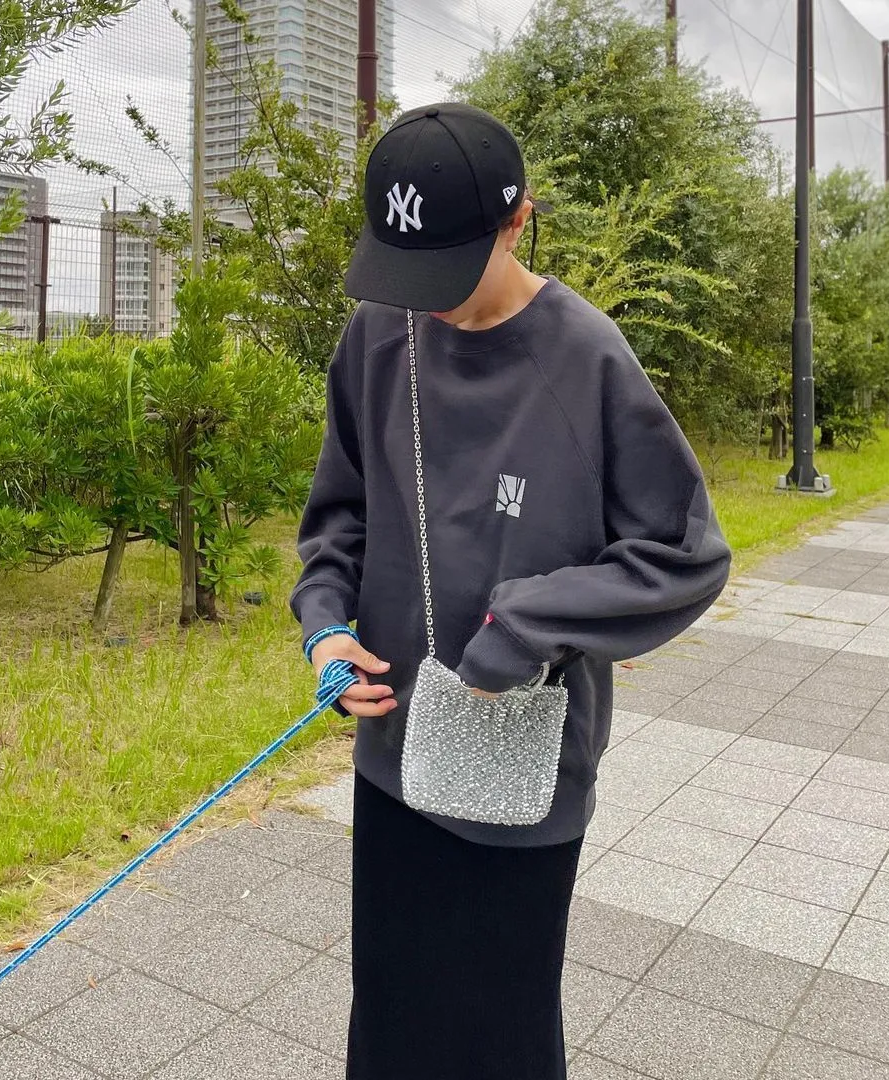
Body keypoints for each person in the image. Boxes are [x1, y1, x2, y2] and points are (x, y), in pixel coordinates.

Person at [288, 102, 732, 1080]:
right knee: (392, 1018)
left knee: (503, 1034)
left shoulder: (586, 357)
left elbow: (685, 552)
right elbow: (339, 516)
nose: (425, 302)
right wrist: (324, 629)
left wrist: (525, 626)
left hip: (525, 763)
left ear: (517, 222)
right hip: (394, 750)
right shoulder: (379, 334)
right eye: (405, 271)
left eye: (448, 269)